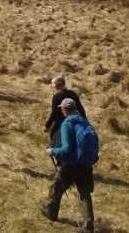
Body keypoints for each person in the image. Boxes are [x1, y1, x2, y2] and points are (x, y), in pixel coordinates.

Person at [41, 98, 97, 233]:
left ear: (65, 110)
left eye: (61, 108)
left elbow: (66, 149)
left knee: (56, 188)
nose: (61, 110)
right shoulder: (84, 121)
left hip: (71, 164)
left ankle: (51, 213)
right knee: (84, 194)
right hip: (85, 164)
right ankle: (89, 226)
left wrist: (52, 151)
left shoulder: (67, 123)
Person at [44, 76, 87, 148]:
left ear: (58, 86)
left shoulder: (56, 96)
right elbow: (80, 108)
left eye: (55, 86)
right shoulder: (72, 93)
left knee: (53, 137)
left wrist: (47, 126)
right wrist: (84, 120)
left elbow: (54, 113)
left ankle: (55, 152)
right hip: (74, 119)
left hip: (61, 122)